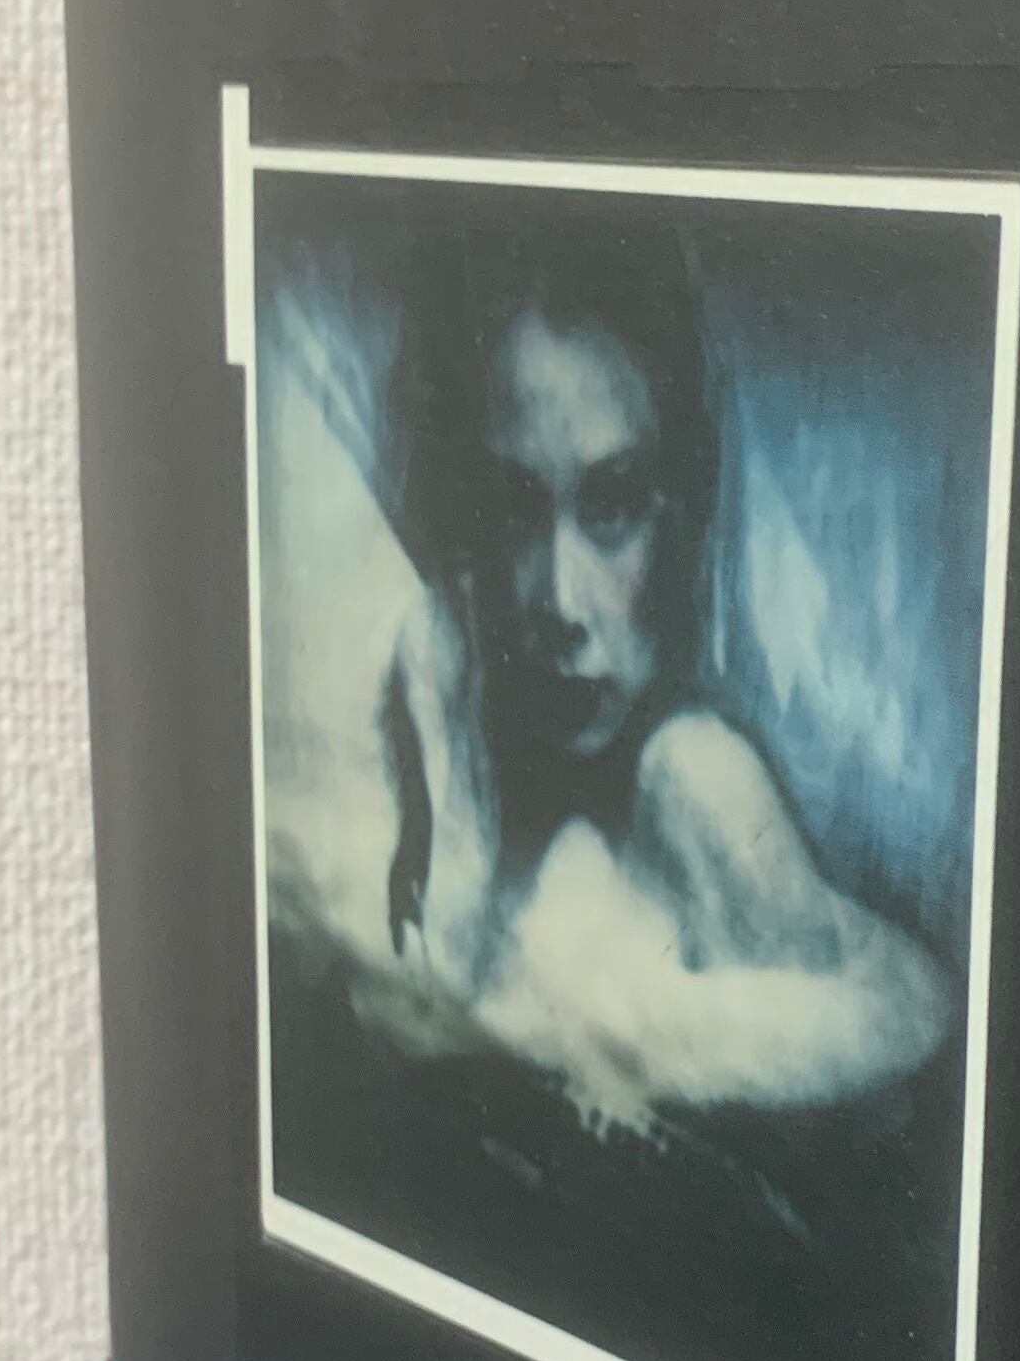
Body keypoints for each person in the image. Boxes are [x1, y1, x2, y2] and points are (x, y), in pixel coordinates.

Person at [359, 226, 953, 1144]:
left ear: (679, 512)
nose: (560, 601)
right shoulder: (441, 681)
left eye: (612, 505)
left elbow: (896, 1026)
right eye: (518, 508)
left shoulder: (696, 780)